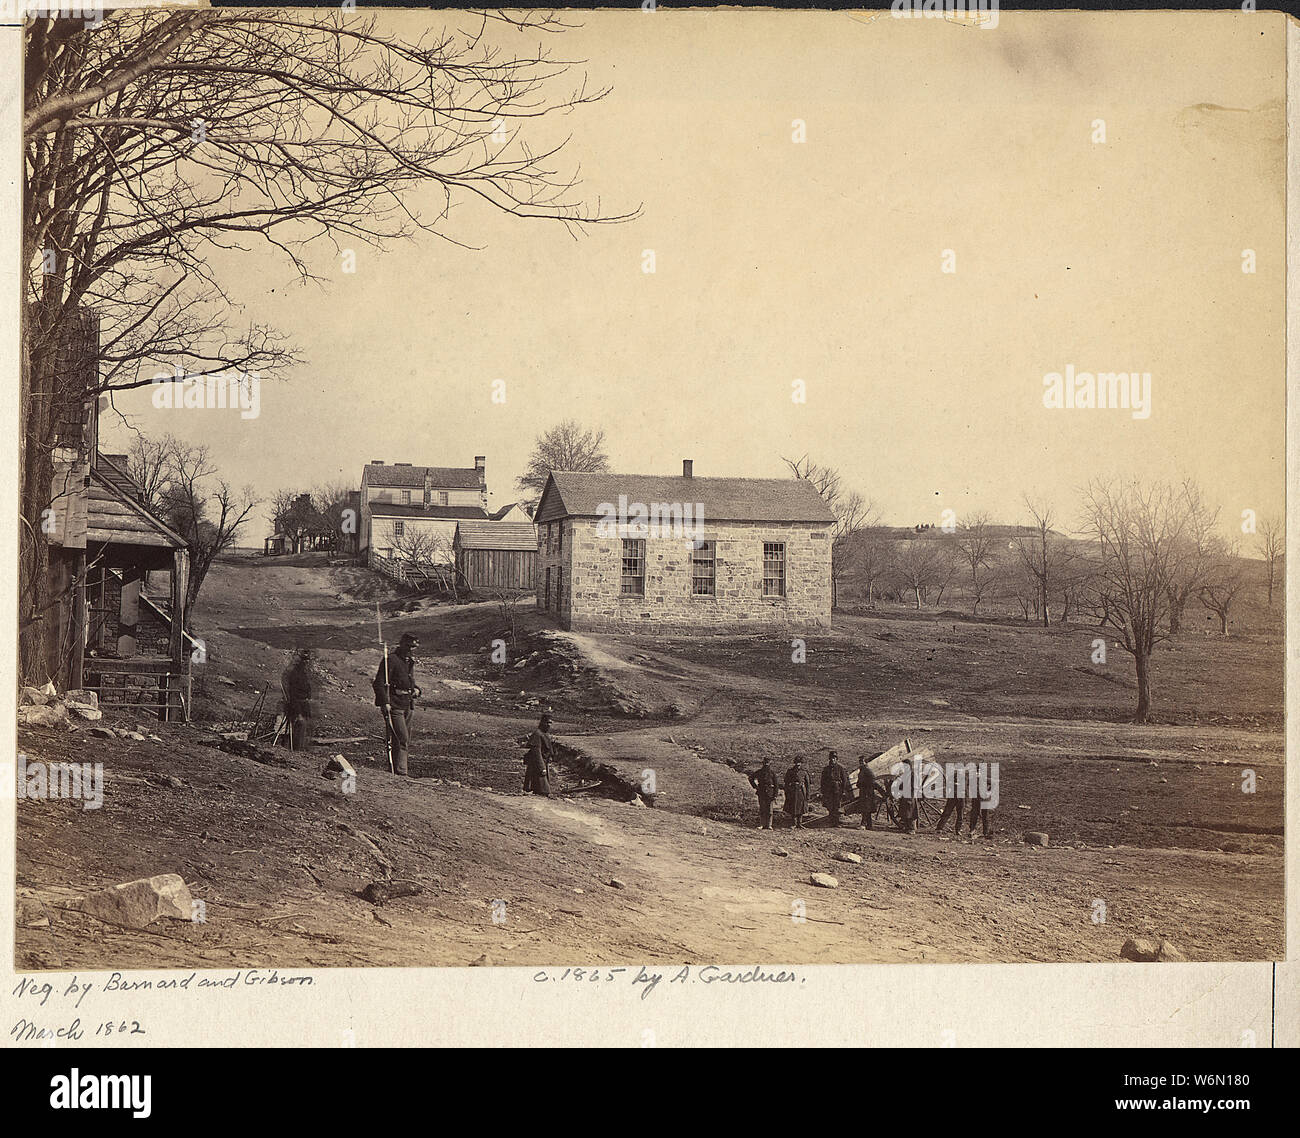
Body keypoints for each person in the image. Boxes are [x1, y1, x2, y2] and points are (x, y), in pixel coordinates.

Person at [374, 632, 421, 776]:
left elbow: (409, 681)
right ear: (402, 645)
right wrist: (385, 702)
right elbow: (379, 683)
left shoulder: (409, 662)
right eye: (409, 646)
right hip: (394, 705)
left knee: (403, 739)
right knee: (402, 738)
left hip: (408, 704)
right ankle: (401, 772)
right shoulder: (391, 660)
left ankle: (396, 770)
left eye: (414, 647)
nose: (411, 649)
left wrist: (417, 690)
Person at [280, 649, 314, 751]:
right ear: (301, 662)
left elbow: (307, 690)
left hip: (304, 705)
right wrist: (298, 713)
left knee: (306, 727)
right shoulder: (295, 674)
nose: (308, 663)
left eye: (308, 661)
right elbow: (293, 695)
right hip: (296, 706)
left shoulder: (304, 674)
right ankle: (296, 750)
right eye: (305, 661)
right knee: (300, 724)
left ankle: (301, 749)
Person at [523, 714, 555, 796]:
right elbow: (536, 753)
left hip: (543, 763)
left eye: (550, 723)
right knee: (542, 789)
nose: (549, 725)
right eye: (547, 722)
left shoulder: (544, 734)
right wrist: (542, 767)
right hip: (537, 765)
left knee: (542, 788)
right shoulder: (537, 734)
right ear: (542, 723)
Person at [748, 756, 780, 830]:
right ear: (763, 763)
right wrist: (755, 787)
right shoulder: (759, 772)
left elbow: (776, 785)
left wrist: (775, 795)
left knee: (770, 810)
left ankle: (769, 825)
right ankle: (762, 824)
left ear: (770, 764)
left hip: (770, 793)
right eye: (765, 763)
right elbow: (750, 778)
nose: (766, 764)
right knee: (762, 809)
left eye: (768, 763)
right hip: (761, 792)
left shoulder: (772, 773)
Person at [820, 751, 847, 826]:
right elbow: (823, 780)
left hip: (837, 789)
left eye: (834, 758)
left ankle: (836, 822)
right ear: (829, 759)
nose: (833, 759)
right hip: (828, 790)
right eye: (831, 758)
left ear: (836, 759)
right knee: (830, 805)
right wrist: (823, 790)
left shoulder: (840, 768)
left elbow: (844, 780)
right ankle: (831, 820)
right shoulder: (826, 769)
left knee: (836, 805)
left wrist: (843, 790)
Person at [783, 756, 810, 828]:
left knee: (800, 807)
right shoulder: (790, 771)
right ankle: (794, 823)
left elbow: (807, 784)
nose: (798, 764)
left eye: (799, 763)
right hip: (793, 791)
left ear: (801, 763)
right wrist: (787, 791)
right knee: (793, 807)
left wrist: (807, 795)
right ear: (795, 763)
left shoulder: (804, 772)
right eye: (797, 762)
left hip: (801, 791)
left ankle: (799, 823)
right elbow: (786, 782)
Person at [857, 755, 879, 830]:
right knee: (866, 808)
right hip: (863, 791)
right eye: (860, 762)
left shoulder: (867, 770)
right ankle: (869, 825)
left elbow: (872, 780)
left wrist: (865, 785)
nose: (861, 763)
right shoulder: (862, 770)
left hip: (867, 792)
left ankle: (863, 825)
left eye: (862, 762)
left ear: (865, 762)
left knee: (865, 808)